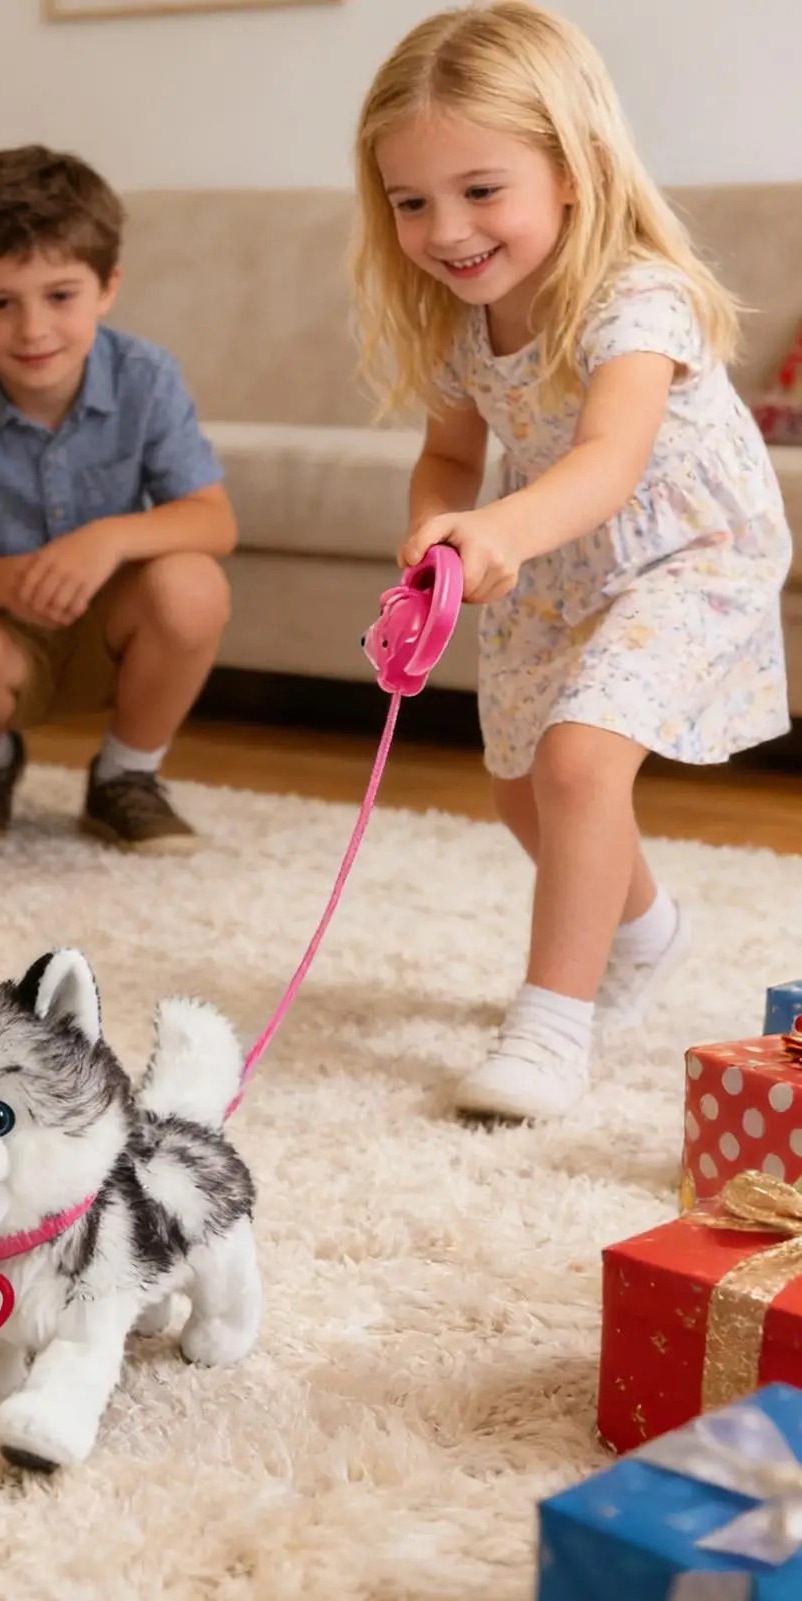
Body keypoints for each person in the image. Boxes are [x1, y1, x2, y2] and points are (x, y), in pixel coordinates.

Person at [352, 1, 792, 1119]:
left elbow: (607, 458)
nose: (446, 229)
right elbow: (448, 455)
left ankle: (552, 1024)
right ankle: (644, 929)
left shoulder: (632, 298)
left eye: (479, 190)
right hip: (556, 556)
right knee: (517, 785)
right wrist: (435, 526)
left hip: (684, 551)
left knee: (578, 761)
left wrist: (499, 529)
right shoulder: (464, 318)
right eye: (412, 202)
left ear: (575, 169)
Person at [0, 143, 237, 854]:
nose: (33, 329)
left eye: (60, 296)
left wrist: (104, 540)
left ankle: (125, 777)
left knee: (193, 583)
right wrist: (22, 578)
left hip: (109, 628)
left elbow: (213, 522)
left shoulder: (146, 375)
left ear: (107, 286)